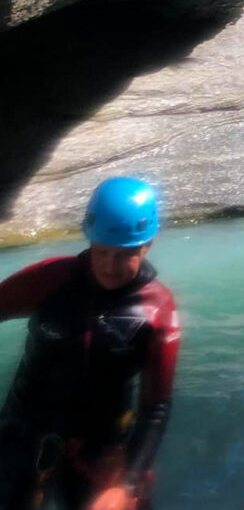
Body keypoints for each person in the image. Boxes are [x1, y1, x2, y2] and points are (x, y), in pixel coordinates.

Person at [0, 177, 180, 510]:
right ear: (89, 239)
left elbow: (156, 407)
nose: (110, 267)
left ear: (147, 245)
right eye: (102, 252)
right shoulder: (50, 279)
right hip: (22, 431)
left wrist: (127, 484)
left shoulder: (157, 311)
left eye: (125, 254)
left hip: (100, 447)